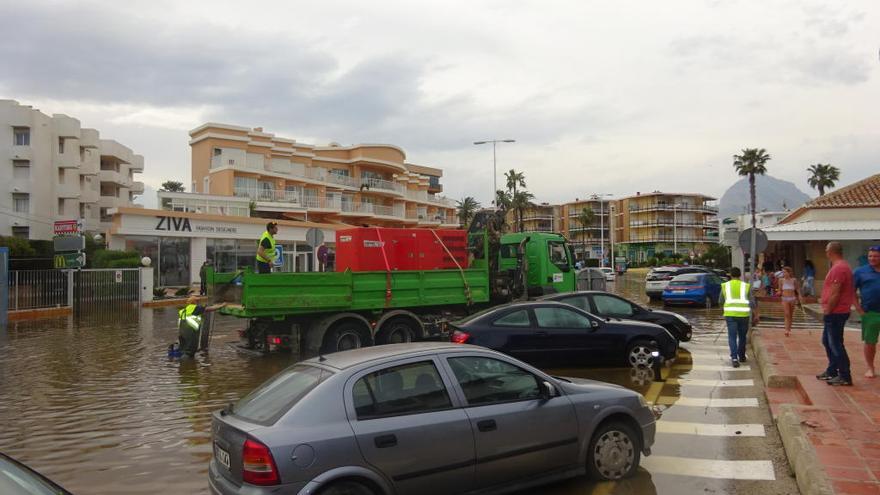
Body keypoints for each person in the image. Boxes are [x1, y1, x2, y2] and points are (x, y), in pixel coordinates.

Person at [817, 241, 856, 386]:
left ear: (831, 252)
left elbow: (836, 292)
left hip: (836, 311)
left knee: (835, 343)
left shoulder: (839, 268)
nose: (826, 253)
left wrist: (828, 309)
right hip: (836, 311)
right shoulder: (839, 267)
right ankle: (832, 370)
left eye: (827, 250)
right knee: (827, 341)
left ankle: (845, 375)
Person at [854, 246, 880, 378]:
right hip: (870, 313)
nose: (872, 258)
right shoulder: (860, 272)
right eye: (870, 256)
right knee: (870, 342)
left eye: (875, 256)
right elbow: (851, 291)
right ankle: (870, 367)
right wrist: (858, 308)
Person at [721, 267, 752, 368]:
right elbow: (752, 302)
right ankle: (742, 356)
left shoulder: (725, 286)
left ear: (730, 275)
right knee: (742, 336)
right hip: (744, 315)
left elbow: (720, 300)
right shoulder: (746, 286)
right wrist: (757, 314)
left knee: (732, 337)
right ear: (740, 275)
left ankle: (734, 358)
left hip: (730, 315)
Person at [779, 266, 800, 337]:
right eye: (783, 272)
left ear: (789, 272)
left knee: (790, 314)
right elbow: (780, 290)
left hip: (792, 298)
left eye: (785, 272)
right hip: (784, 298)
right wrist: (778, 292)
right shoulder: (781, 280)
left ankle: (789, 328)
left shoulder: (794, 280)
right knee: (787, 314)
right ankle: (786, 330)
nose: (784, 273)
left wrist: (800, 296)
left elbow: (797, 289)